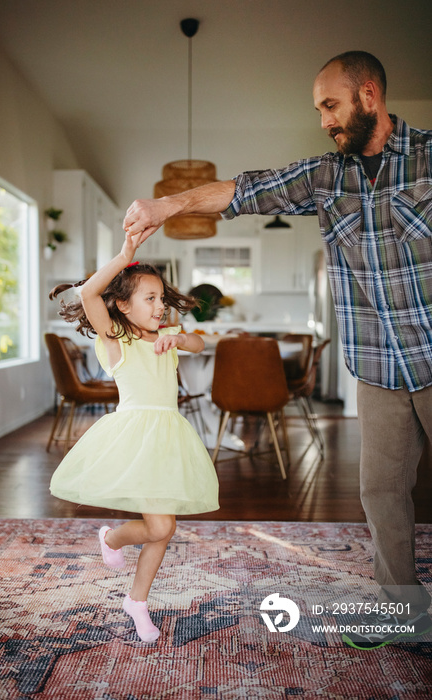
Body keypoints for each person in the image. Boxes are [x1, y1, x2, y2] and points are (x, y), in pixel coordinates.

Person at [122, 51, 432, 649]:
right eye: (318, 109)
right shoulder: (326, 176)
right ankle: (406, 613)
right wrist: (168, 205)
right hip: (376, 367)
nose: (323, 120)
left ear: (369, 95)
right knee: (381, 493)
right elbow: (248, 190)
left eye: (330, 105)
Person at [49, 232, 219, 643]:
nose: (161, 306)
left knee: (163, 529)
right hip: (135, 440)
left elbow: (199, 342)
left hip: (168, 440)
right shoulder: (116, 338)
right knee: (161, 527)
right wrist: (125, 255)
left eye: (162, 298)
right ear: (123, 304)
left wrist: (178, 337)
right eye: (150, 299)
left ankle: (135, 599)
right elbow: (90, 293)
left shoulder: (168, 334)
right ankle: (112, 542)